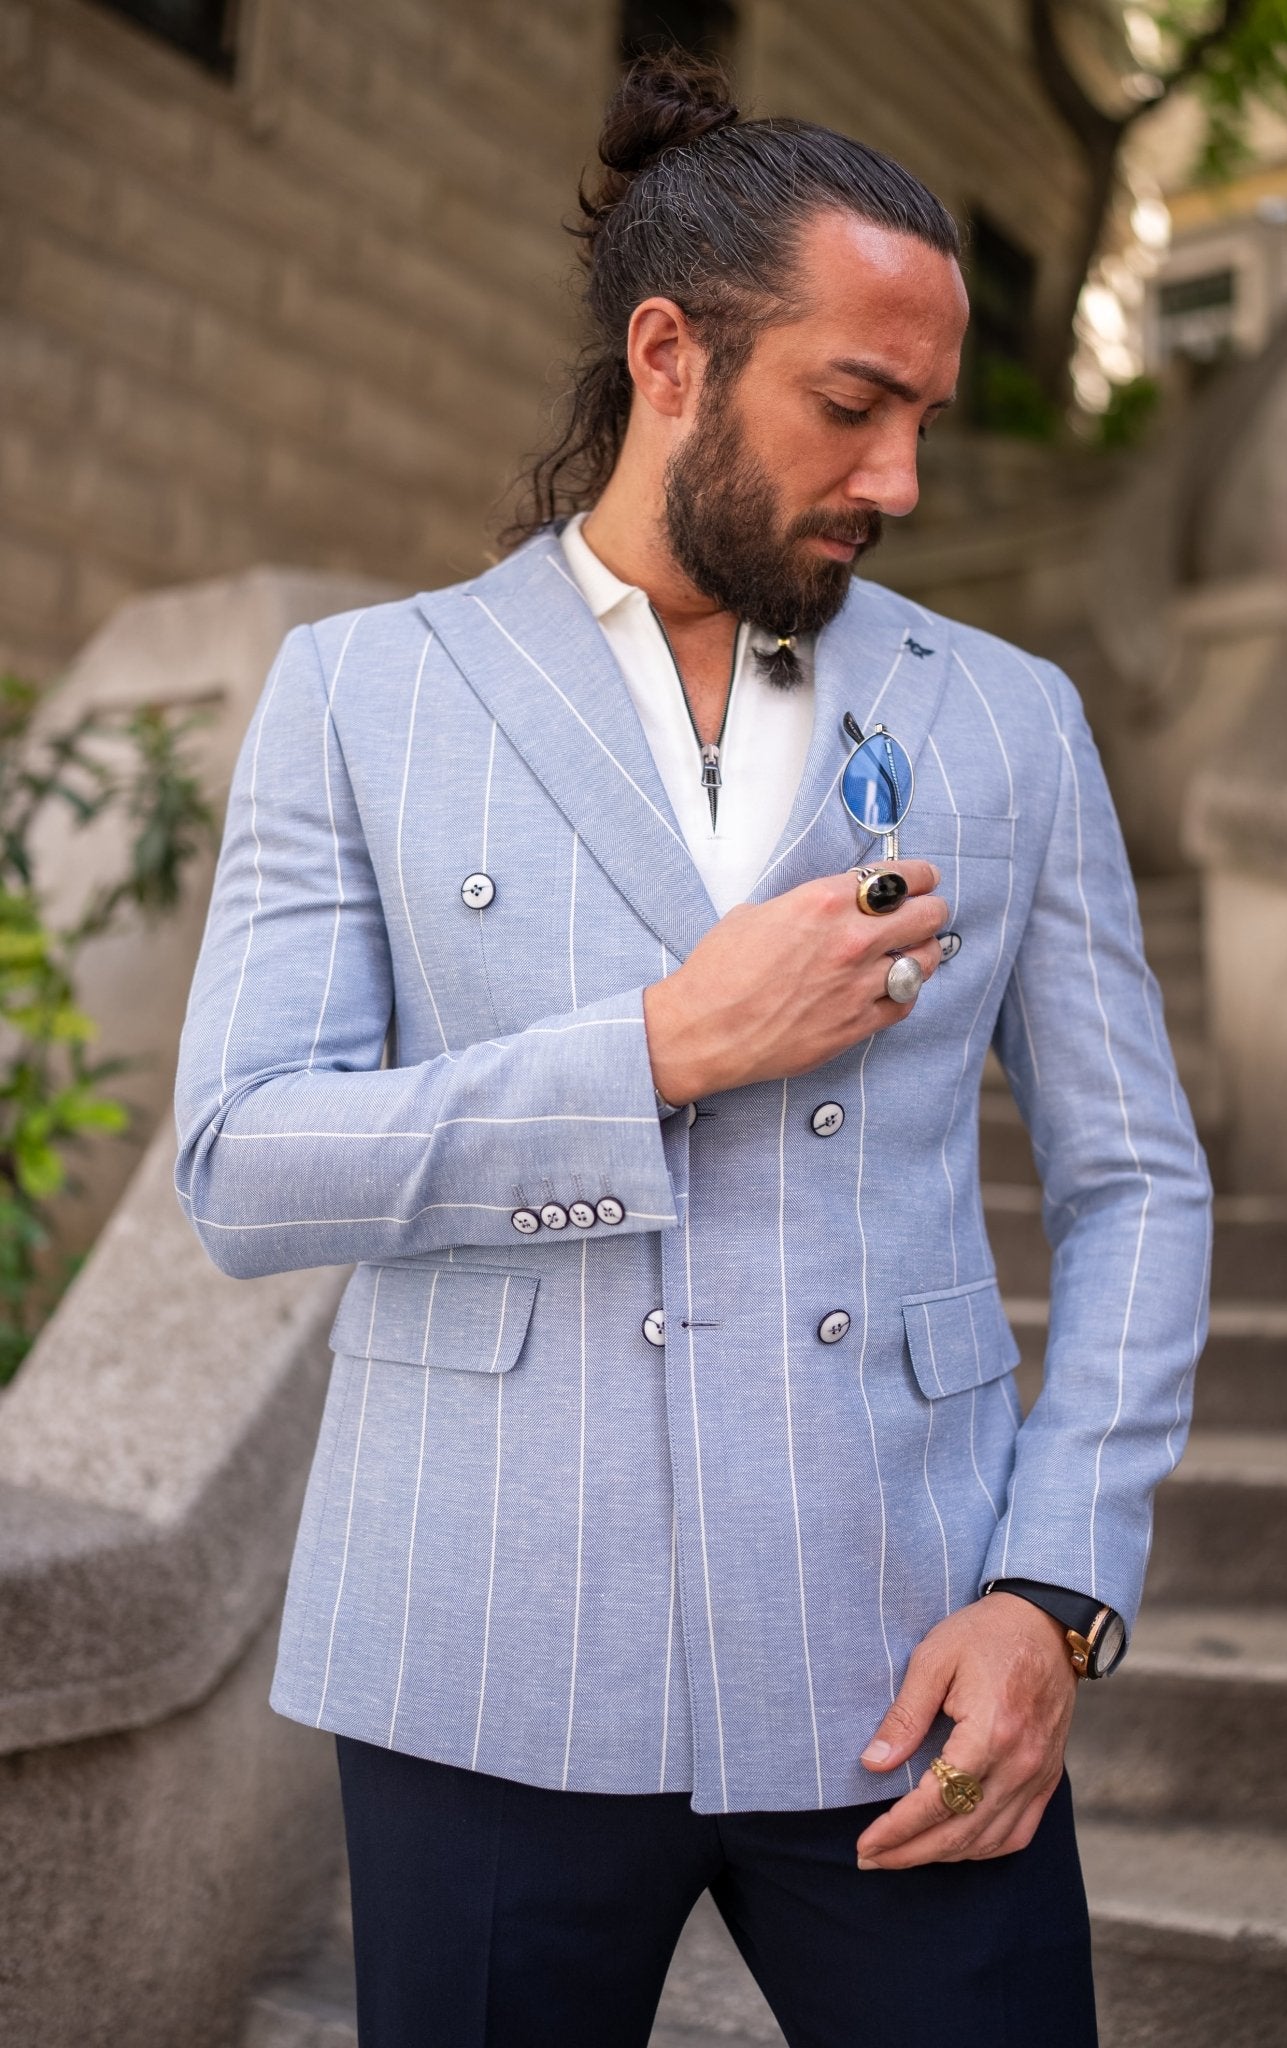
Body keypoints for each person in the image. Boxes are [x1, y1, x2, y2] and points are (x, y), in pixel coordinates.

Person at [173, 53, 1211, 2048]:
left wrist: (1057, 1588)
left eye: (925, 418)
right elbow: (243, 1164)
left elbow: (1138, 1180)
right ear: (671, 357)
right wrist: (655, 1049)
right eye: (853, 404)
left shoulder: (1011, 717)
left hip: (910, 1644)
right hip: (487, 1655)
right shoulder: (365, 695)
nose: (901, 482)